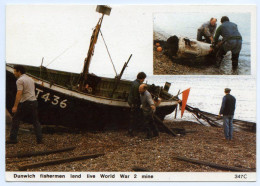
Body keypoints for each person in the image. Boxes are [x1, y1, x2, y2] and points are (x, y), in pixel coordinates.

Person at [6, 65, 43, 144]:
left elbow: (19, 93)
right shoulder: (30, 79)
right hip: (34, 102)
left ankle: (13, 139)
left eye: (15, 71)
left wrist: (15, 106)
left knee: (16, 119)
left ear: (19, 71)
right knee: (35, 121)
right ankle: (40, 139)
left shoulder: (20, 80)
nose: (14, 73)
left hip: (26, 102)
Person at [127, 72, 147, 136]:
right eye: (143, 79)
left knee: (133, 117)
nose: (143, 80)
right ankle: (130, 132)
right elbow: (136, 96)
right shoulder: (137, 85)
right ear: (142, 78)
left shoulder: (134, 82)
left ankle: (131, 131)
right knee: (134, 117)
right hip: (134, 103)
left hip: (131, 101)